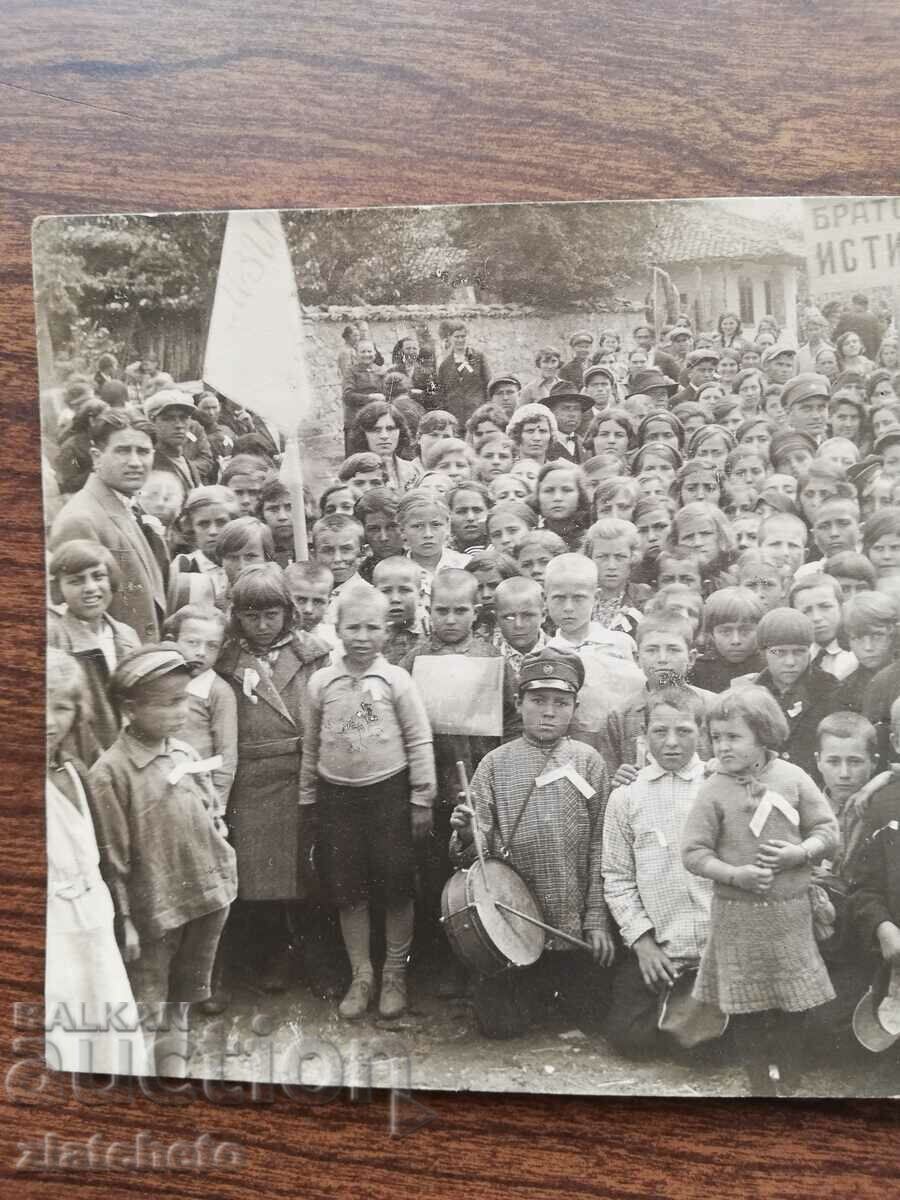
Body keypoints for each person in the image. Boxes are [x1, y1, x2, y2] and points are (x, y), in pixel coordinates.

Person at [448, 646, 615, 1039]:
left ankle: (557, 993)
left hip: (573, 928)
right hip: (515, 927)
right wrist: (464, 833)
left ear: (575, 706)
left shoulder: (589, 761)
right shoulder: (494, 763)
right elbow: (479, 857)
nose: (549, 711)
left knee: (591, 1016)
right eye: (538, 700)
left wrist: (596, 922)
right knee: (499, 1025)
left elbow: (601, 850)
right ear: (518, 702)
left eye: (561, 702)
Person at [681, 685, 839, 1095]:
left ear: (763, 735)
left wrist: (800, 852)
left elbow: (828, 832)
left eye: (734, 737)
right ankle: (759, 1088)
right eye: (717, 737)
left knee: (793, 1006)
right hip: (737, 919)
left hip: (790, 916)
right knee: (747, 1009)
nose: (723, 746)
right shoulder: (713, 790)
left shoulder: (792, 778)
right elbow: (694, 853)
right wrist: (736, 875)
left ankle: (789, 1080)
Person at [88, 644, 238, 1076]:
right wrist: (127, 919)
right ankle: (141, 1081)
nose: (182, 712)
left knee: (184, 997)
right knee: (148, 1002)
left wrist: (217, 835)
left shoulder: (185, 754)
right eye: (169, 703)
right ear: (131, 709)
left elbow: (209, 809)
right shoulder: (110, 773)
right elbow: (112, 856)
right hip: (156, 911)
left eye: (185, 700)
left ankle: (174, 1077)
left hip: (207, 897)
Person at [300, 586, 436, 1020]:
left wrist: (421, 798)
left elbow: (419, 739)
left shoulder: (396, 680)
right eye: (353, 627)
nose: (362, 636)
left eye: (372, 627)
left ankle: (395, 972)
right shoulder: (322, 681)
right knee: (348, 889)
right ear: (337, 629)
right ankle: (363, 974)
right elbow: (311, 745)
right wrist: (309, 799)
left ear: (387, 629)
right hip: (337, 797)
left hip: (388, 796)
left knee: (396, 885)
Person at [216, 565, 331, 994]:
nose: (263, 627)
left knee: (307, 874)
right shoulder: (227, 660)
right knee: (261, 877)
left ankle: (311, 957)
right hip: (252, 778)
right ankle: (273, 955)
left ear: (288, 611)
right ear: (237, 617)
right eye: (251, 617)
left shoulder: (313, 653)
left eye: (272, 615)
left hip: (303, 772)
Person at [45, 648, 148, 1076]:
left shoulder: (75, 774)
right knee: (58, 1027)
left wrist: (124, 918)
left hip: (93, 916)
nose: (47, 720)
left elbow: (106, 858)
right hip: (51, 926)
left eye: (60, 707)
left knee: (106, 1020)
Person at [602, 686, 713, 1058]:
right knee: (628, 1038)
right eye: (659, 732)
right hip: (662, 948)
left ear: (702, 733)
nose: (671, 743)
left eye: (684, 731)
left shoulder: (718, 788)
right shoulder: (626, 797)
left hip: (719, 949)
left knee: (711, 1048)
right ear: (643, 735)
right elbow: (616, 879)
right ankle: (677, 1013)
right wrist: (643, 944)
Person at [50, 409, 168, 643]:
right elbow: (78, 623)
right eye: (122, 451)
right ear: (96, 457)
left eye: (143, 451)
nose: (135, 462)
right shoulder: (81, 519)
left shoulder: (126, 503)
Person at [48, 539, 141, 758]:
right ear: (59, 588)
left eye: (98, 577)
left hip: (128, 756)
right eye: (76, 581)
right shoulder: (55, 638)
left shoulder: (126, 635)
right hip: (81, 755)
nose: (90, 588)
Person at [163, 604, 237, 819]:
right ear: (173, 640)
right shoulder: (162, 682)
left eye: (212, 646)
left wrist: (218, 805)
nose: (201, 652)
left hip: (197, 790)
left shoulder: (218, 691)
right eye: (192, 642)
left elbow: (226, 755)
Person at [168, 484, 239, 611]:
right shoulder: (183, 565)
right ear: (191, 528)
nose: (213, 531)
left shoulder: (244, 561)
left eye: (221, 522)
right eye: (203, 524)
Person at [689, 586, 766, 693]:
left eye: (745, 631)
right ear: (711, 633)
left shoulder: (769, 667)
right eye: (725, 632)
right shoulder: (697, 670)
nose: (736, 640)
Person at [789, 574, 857, 681]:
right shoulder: (794, 657)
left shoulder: (858, 652)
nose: (817, 618)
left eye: (825, 607)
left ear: (841, 608)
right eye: (806, 611)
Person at [346, 400, 418, 492]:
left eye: (390, 429)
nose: (384, 436)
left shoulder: (413, 471)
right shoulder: (352, 471)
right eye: (376, 430)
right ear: (363, 434)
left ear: (400, 432)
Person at [372, 556, 426, 664]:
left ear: (420, 595)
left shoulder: (429, 631)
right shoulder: (371, 633)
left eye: (404, 590)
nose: (395, 599)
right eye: (386, 591)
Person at [435, 322, 491, 424]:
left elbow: (488, 385)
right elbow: (441, 393)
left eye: (463, 336)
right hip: (455, 416)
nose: (460, 340)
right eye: (456, 337)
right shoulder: (445, 364)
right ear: (450, 338)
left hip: (477, 413)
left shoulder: (478, 358)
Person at [833, 294, 883, 359]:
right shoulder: (873, 318)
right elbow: (878, 340)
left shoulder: (845, 316)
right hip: (869, 356)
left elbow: (835, 337)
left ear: (853, 304)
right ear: (866, 305)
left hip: (849, 355)